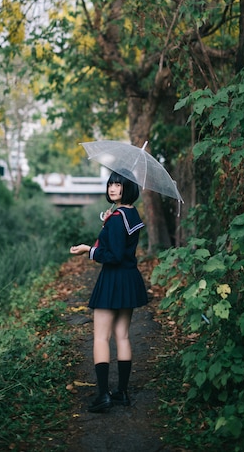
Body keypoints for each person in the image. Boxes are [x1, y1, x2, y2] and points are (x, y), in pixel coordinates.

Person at [70, 170, 148, 413]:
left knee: (102, 337)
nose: (113, 188)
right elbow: (122, 244)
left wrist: (88, 250)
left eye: (119, 185)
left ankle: (103, 395)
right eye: (111, 184)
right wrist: (109, 220)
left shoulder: (116, 218)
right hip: (129, 278)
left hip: (113, 278)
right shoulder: (130, 213)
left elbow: (112, 255)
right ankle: (121, 393)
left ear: (128, 188)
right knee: (122, 335)